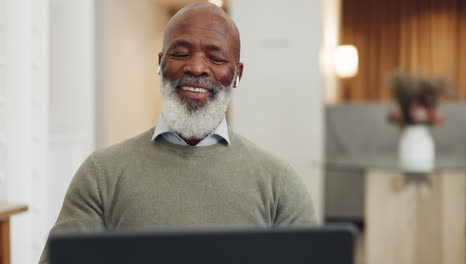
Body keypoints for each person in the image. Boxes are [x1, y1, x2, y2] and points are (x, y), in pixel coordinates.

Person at [39, 2, 314, 263]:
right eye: (180, 54)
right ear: (160, 64)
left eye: (216, 58)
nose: (195, 67)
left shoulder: (279, 183)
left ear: (237, 74)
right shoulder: (101, 174)